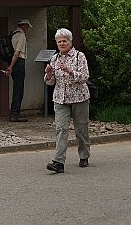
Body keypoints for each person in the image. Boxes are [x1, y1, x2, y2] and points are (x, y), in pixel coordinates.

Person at [44, 28, 90, 173]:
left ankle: (84, 156)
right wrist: (49, 74)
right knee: (61, 129)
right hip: (60, 99)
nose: (62, 43)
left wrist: (70, 71)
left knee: (80, 129)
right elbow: (50, 83)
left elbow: (84, 77)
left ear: (70, 42)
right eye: (59, 41)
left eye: (64, 41)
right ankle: (58, 162)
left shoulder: (79, 56)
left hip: (79, 98)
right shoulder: (55, 58)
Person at [6, 19, 32, 122]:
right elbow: (17, 53)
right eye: (27, 26)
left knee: (17, 87)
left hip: (13, 61)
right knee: (19, 88)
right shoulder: (21, 36)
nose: (28, 28)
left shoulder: (13, 34)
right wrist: (11, 66)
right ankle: (15, 113)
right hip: (18, 61)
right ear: (24, 25)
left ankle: (14, 112)